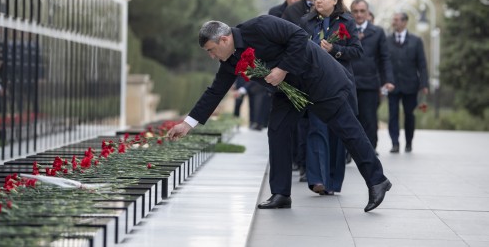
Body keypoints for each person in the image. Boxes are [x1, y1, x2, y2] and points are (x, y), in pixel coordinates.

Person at [167, 16, 391, 212]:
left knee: (348, 131)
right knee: (277, 131)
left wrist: (281, 69)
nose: (211, 56)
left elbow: (299, 37)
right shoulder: (230, 60)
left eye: (211, 50)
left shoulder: (260, 26)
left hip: (318, 79)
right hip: (287, 93)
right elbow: (215, 91)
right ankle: (281, 194)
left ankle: (377, 181)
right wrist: (187, 124)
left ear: (224, 40)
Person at [300, 0, 362, 195]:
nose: (318, 1)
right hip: (314, 86)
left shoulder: (347, 22)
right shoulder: (306, 23)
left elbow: (356, 51)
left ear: (335, 0)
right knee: (316, 129)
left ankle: (333, 182)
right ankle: (317, 179)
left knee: (337, 133)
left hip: (339, 86)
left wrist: (334, 49)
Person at [282, 0, 323, 182]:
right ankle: (304, 166)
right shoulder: (292, 12)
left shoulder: (330, 10)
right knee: (302, 124)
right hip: (298, 77)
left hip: (323, 77)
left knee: (320, 124)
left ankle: (318, 168)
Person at [350, 0, 394, 152]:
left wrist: (387, 80)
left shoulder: (378, 32)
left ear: (368, 13)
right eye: (355, 11)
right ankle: (348, 151)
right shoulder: (343, 31)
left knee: (369, 119)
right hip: (349, 82)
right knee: (349, 119)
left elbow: (385, 58)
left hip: (369, 83)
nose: (359, 14)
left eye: (362, 11)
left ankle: (369, 150)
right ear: (351, 13)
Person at [386, 12, 429, 153]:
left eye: (397, 20)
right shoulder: (386, 40)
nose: (394, 22)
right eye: (394, 20)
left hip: (410, 85)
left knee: (409, 114)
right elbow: (383, 63)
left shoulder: (416, 41)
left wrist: (424, 84)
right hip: (392, 85)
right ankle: (395, 143)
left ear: (405, 22)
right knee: (392, 115)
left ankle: (409, 142)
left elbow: (422, 65)